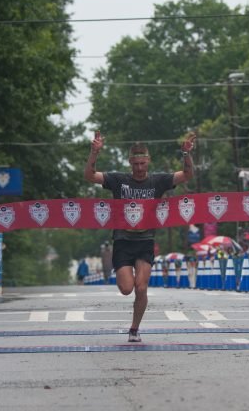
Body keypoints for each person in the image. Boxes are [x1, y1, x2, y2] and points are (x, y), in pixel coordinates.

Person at [84, 130, 196, 342]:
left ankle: (134, 329)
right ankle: (130, 282)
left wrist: (186, 154)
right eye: (135, 165)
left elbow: (187, 175)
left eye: (143, 164)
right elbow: (89, 176)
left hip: (145, 241)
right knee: (127, 289)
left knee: (141, 287)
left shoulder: (158, 181)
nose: (139, 168)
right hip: (123, 241)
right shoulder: (118, 180)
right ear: (130, 163)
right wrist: (94, 153)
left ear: (148, 161)